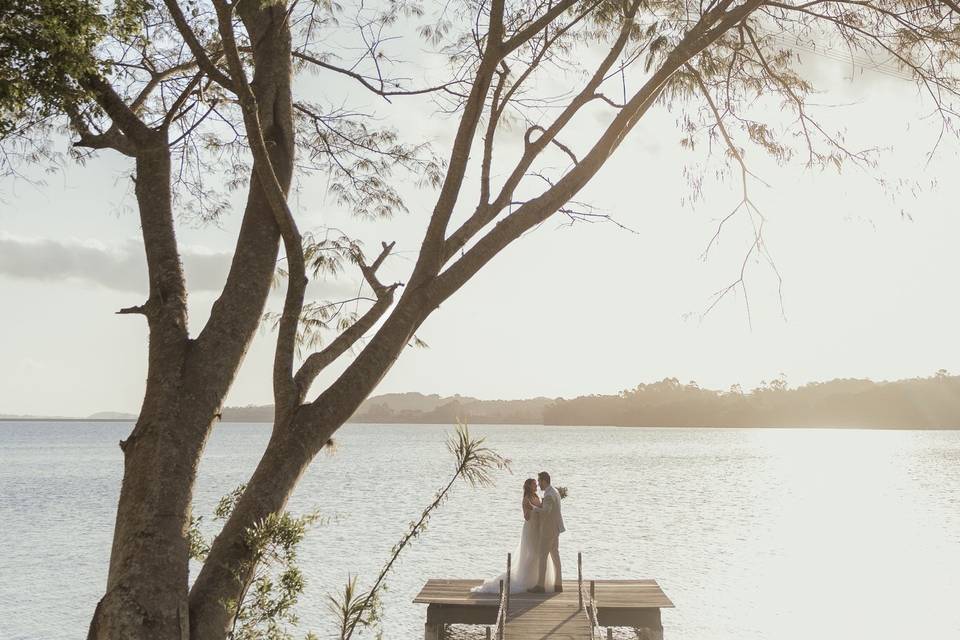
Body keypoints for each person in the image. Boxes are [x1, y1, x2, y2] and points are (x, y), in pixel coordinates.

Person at [471, 478, 556, 593]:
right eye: (534, 485)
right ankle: (525, 580)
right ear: (529, 486)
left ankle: (538, 581)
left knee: (539, 554)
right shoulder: (526, 499)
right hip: (530, 528)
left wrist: (541, 507)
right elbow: (526, 517)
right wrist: (531, 510)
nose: (536, 486)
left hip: (538, 529)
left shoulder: (537, 497)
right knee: (532, 554)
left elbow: (542, 510)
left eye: (536, 484)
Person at [528, 471, 565, 593]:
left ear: (544, 480)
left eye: (539, 481)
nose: (539, 484)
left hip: (548, 529)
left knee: (542, 555)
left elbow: (546, 511)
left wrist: (533, 508)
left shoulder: (549, 494)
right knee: (555, 555)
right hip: (555, 528)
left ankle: (540, 585)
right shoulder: (554, 491)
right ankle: (558, 584)